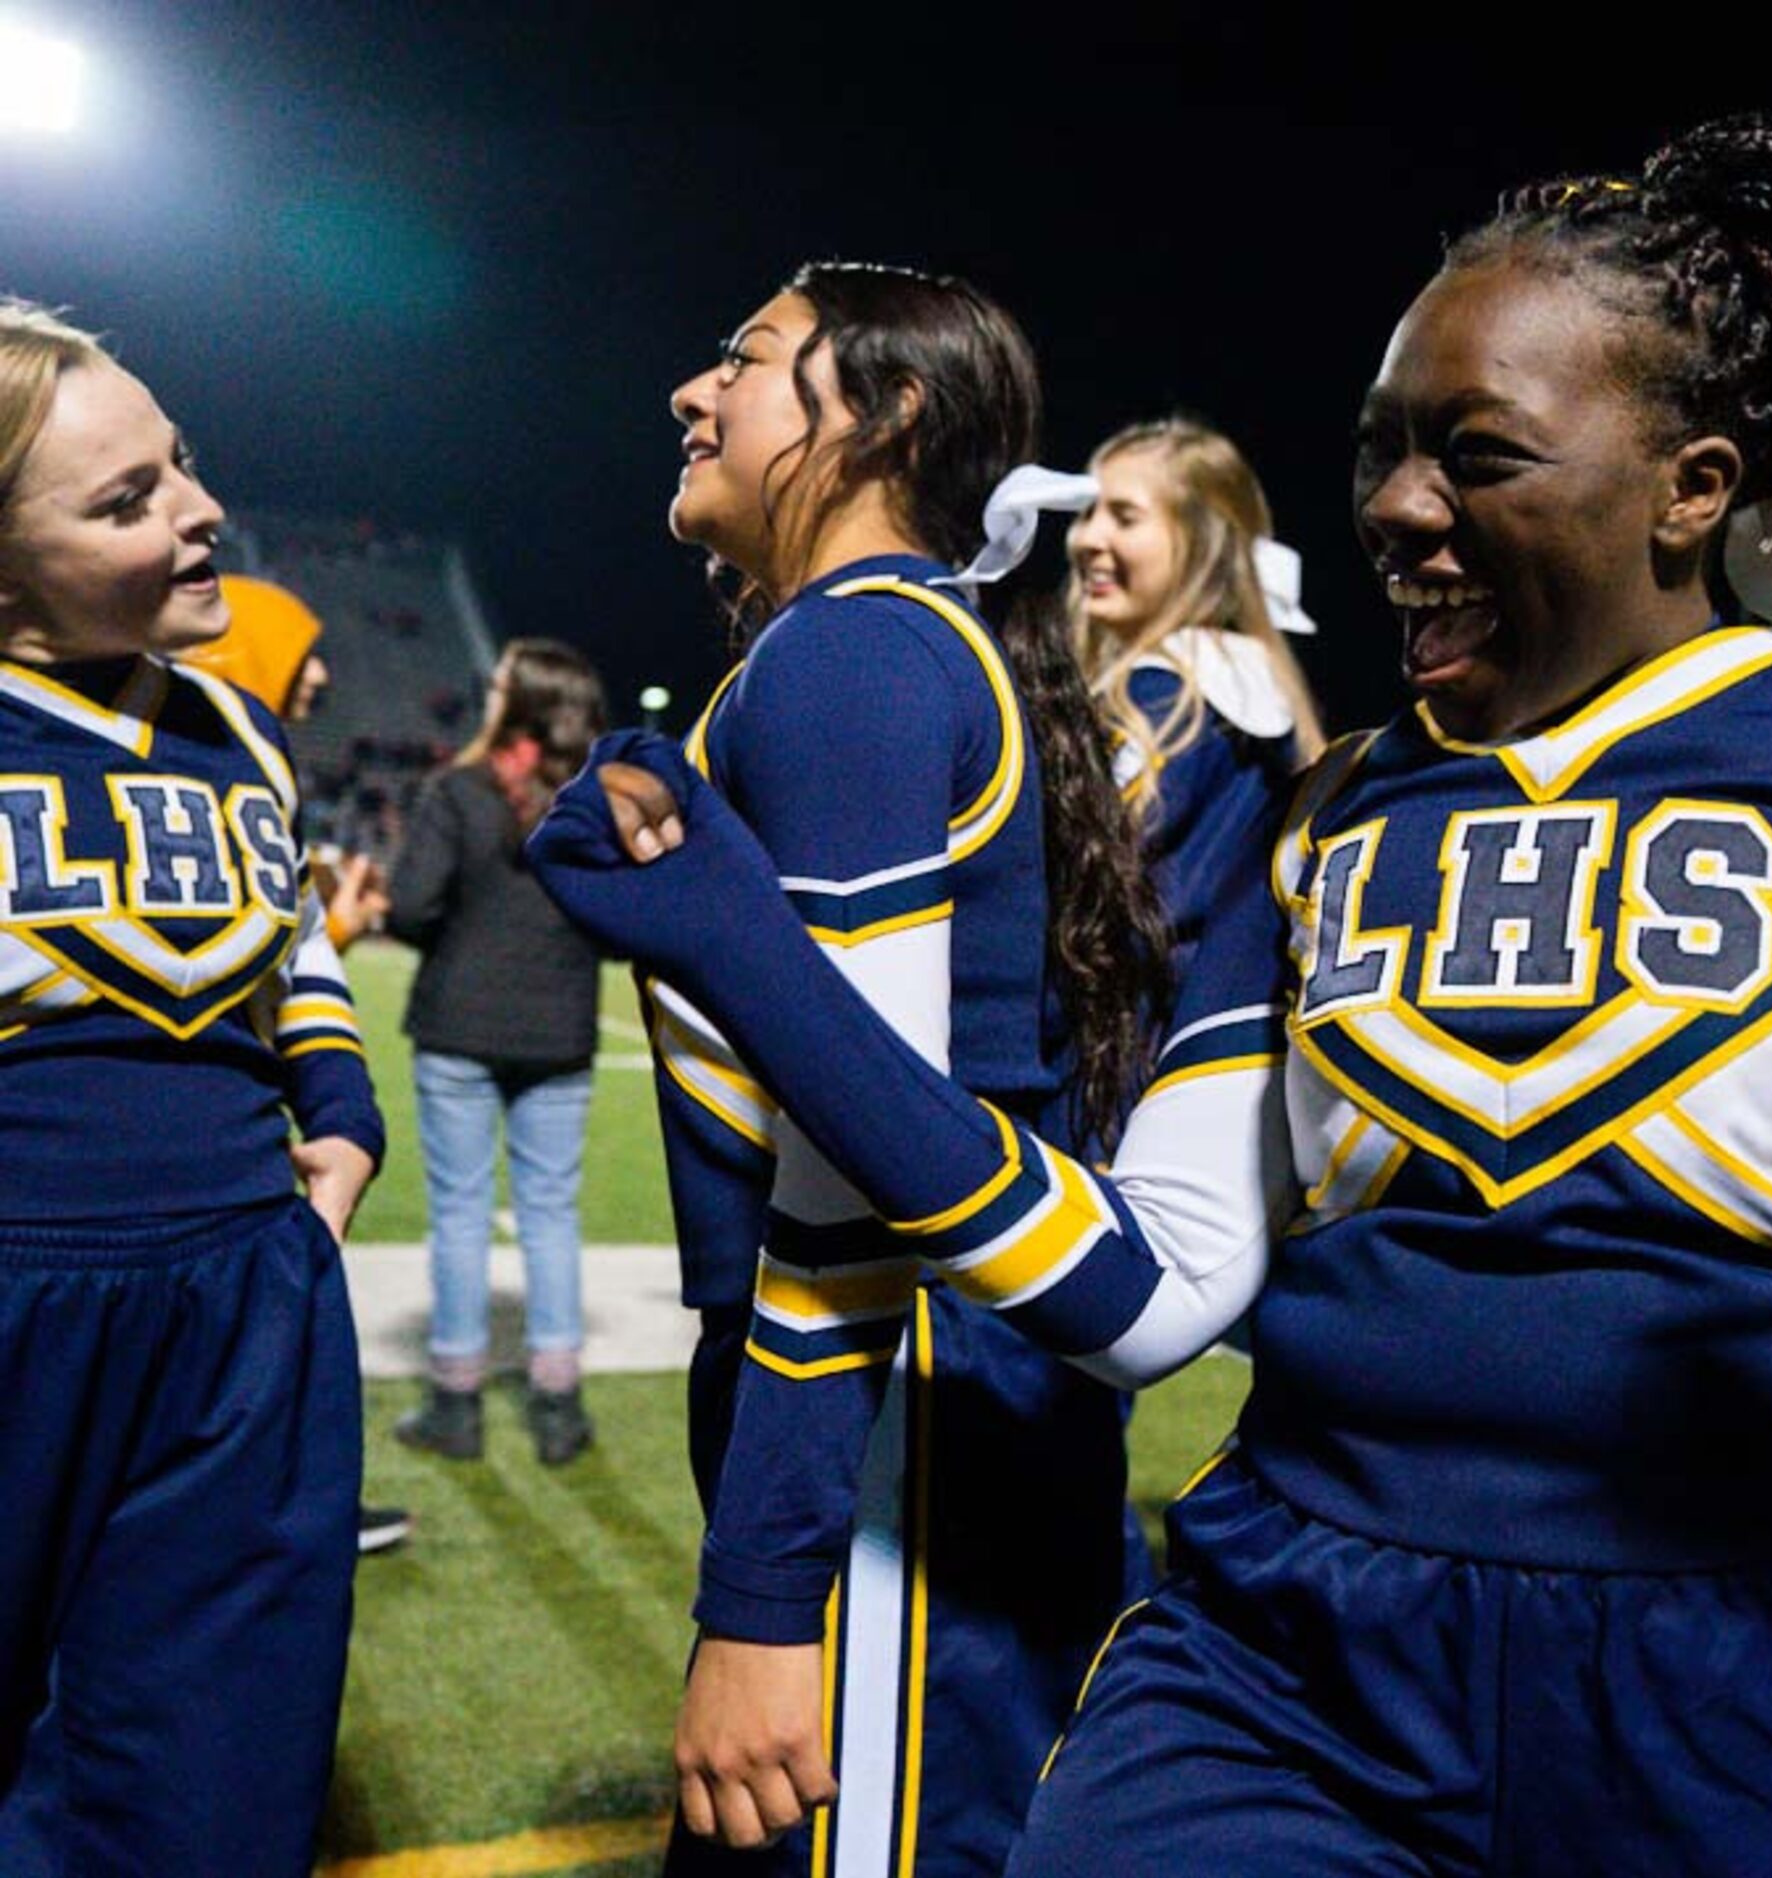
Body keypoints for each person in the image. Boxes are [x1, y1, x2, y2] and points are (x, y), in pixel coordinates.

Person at [535, 114, 1772, 1862]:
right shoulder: (1293, 813)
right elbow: (1141, 1300)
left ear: (1689, 486)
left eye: (1470, 457)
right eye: (1383, 449)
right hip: (1285, 1661)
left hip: (1762, 1693)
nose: (1389, 509)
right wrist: (754, 963)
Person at [641, 262, 1165, 1872]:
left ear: (880, 416)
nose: (693, 392)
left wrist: (761, 1595)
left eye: (744, 356)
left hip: (894, 1411)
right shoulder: (890, 645)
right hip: (911, 1390)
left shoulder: (851, 657)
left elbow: (854, 1153)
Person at [0, 300, 384, 1873]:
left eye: (181, 464)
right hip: (21, 1289)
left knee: (213, 1780)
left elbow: (294, 943)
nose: (200, 509)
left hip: (246, 1302)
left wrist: (343, 1120)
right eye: (126, 499)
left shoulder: (236, 724)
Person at [188, 573, 409, 1550]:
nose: (321, 676)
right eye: (302, 651)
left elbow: (258, 964)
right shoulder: (187, 759)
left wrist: (337, 937)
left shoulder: (257, 759)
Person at [386, 638, 609, 1466]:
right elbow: (618, 925)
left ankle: (457, 1400)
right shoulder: (594, 802)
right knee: (551, 1215)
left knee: (460, 1214)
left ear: (517, 703)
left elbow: (410, 907)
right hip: (558, 1031)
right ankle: (557, 1403)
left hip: (459, 1025)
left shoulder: (461, 791)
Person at [1070, 418, 1324, 983]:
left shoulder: (1158, 698)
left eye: (1124, 516)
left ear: (1202, 543)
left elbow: (1091, 900)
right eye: (1087, 512)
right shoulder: (1263, 692)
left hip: (1137, 1042)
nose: (1087, 538)